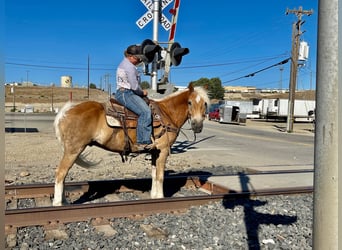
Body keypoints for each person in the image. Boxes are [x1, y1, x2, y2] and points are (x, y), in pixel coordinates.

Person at [115, 44, 153, 151]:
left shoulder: (126, 64)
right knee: (145, 112)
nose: (139, 60)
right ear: (131, 56)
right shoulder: (129, 67)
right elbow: (134, 86)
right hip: (126, 93)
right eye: (138, 58)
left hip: (125, 92)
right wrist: (142, 92)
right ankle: (142, 142)